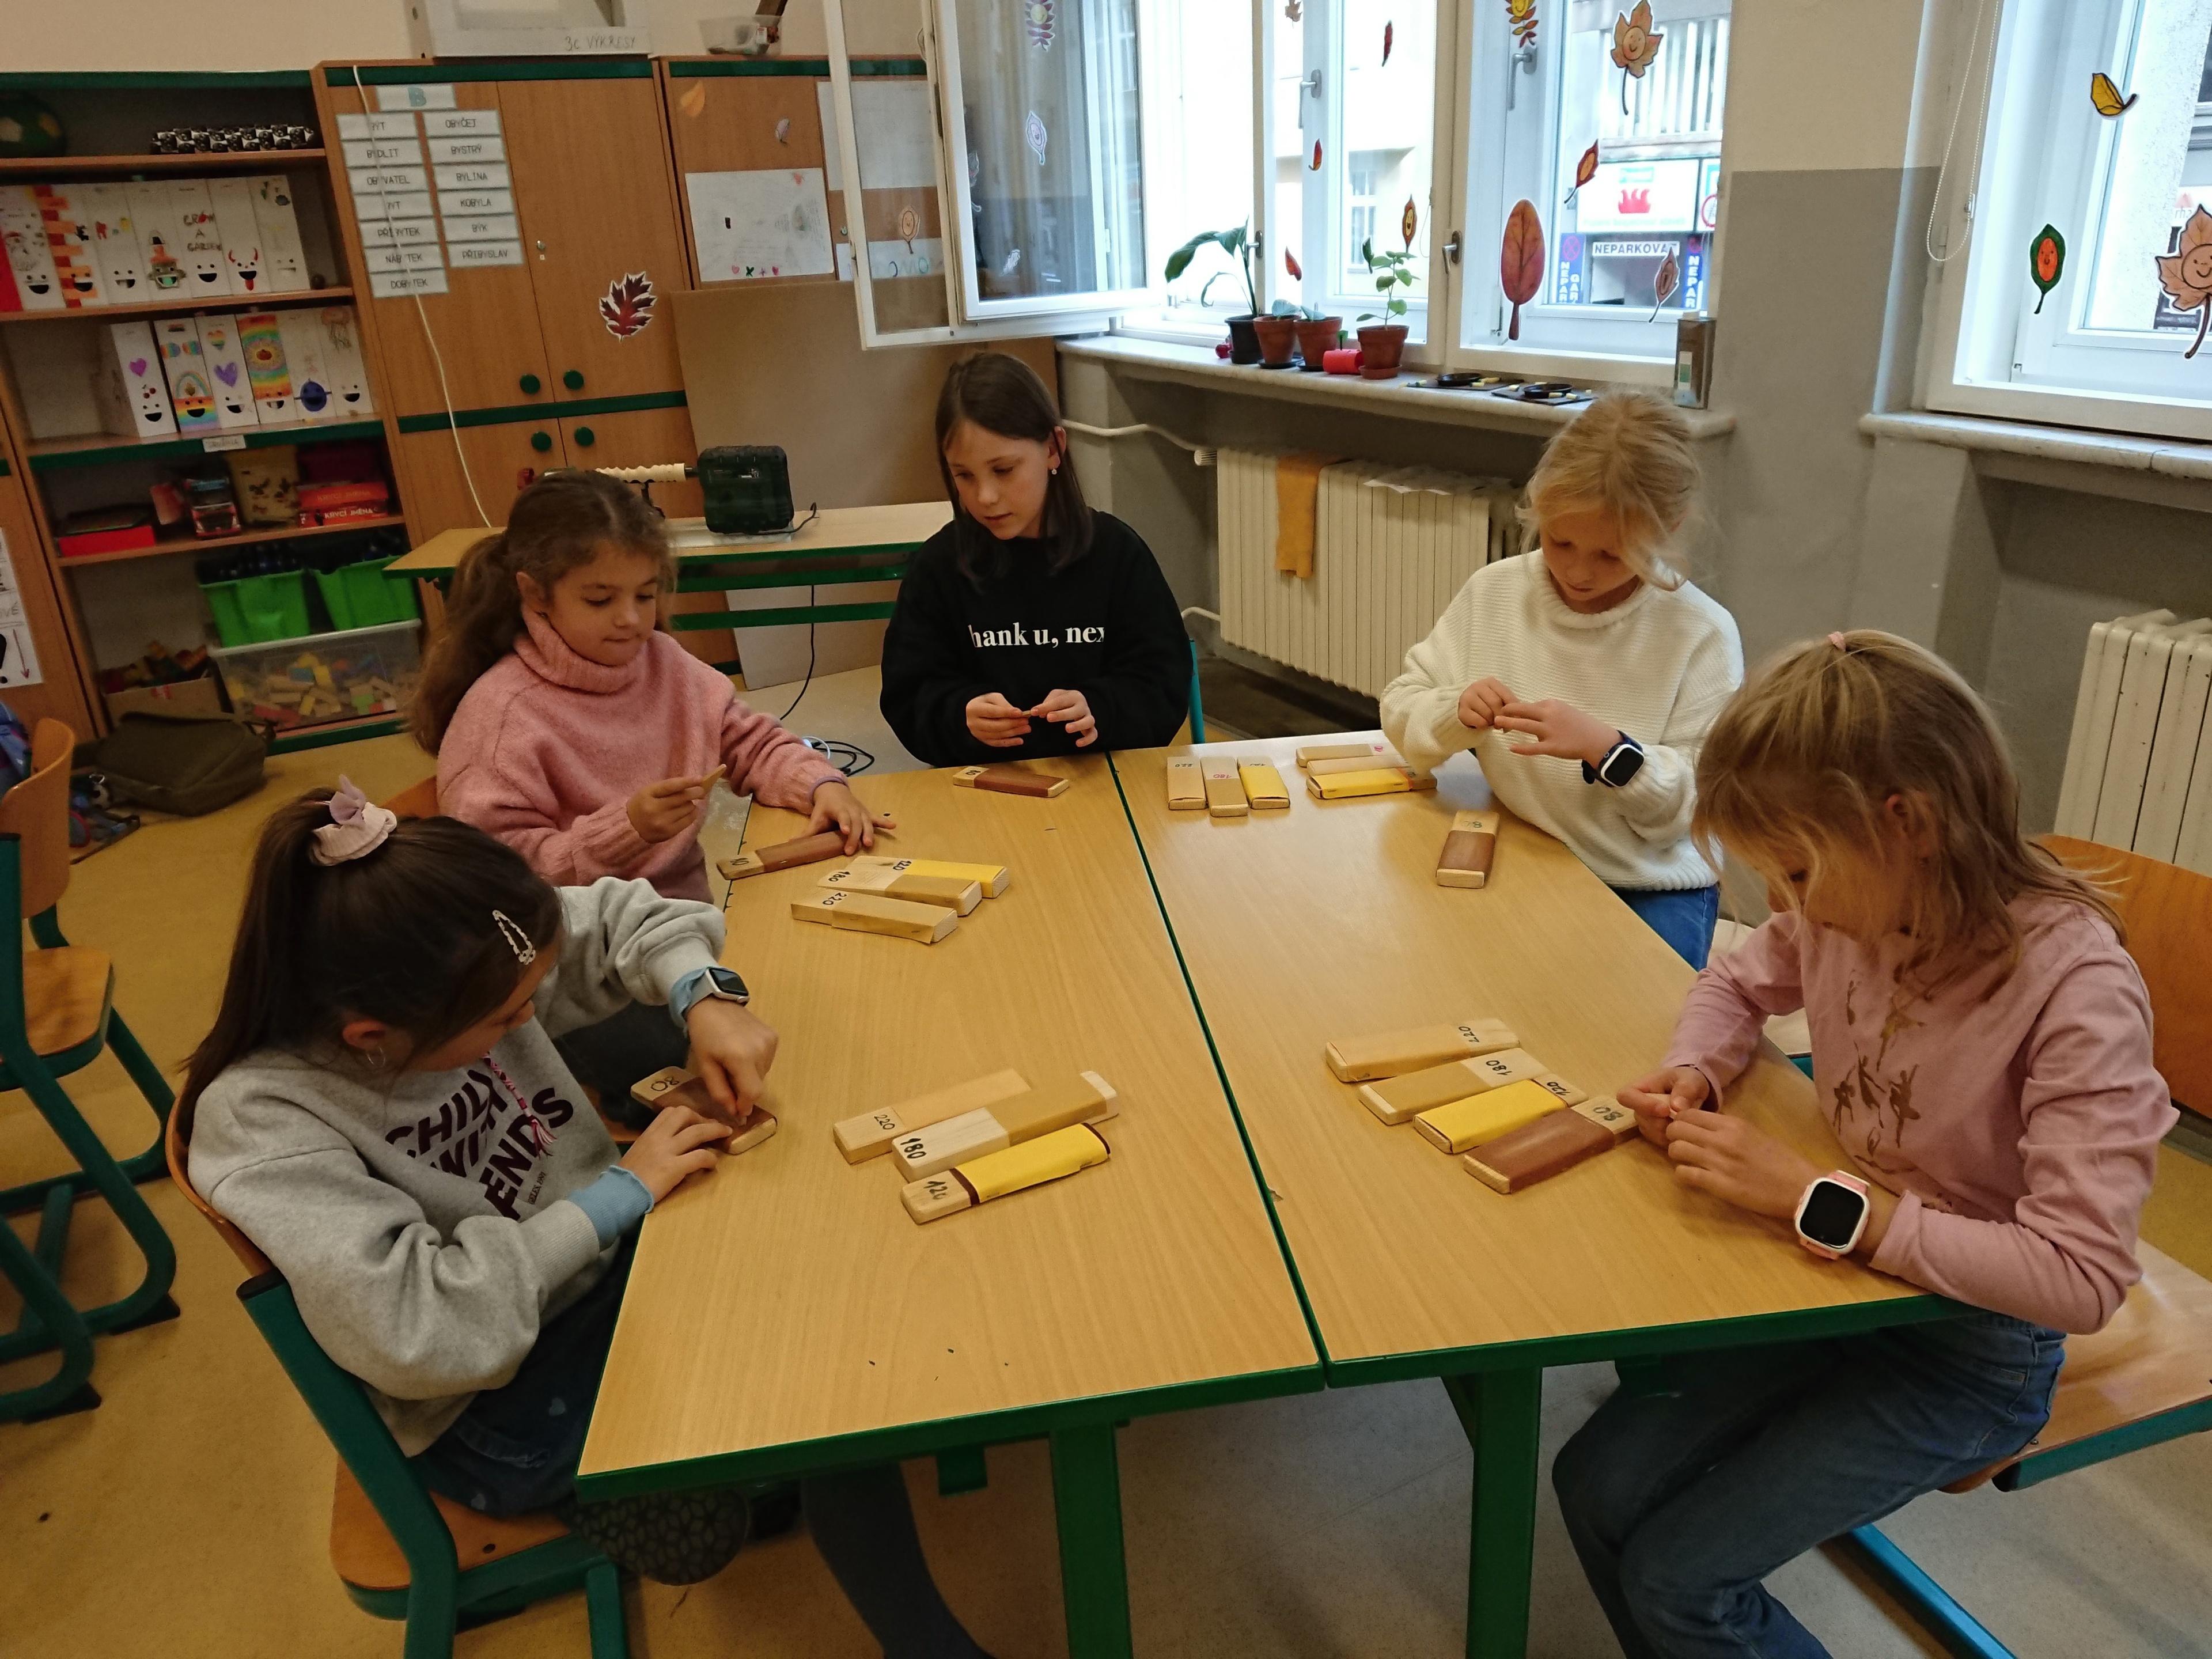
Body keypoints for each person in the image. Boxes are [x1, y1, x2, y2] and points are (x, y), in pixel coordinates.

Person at [184, 783, 991, 1655]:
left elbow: (620, 916)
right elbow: (425, 1334)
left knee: (809, 1265)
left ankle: (746, 1469)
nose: (531, 1019)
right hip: (490, 1393)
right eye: (507, 1019)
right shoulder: (268, 1125)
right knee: (813, 1398)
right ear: (371, 1037)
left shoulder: (461, 947)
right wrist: (617, 1195)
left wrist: (703, 995)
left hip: (594, 1266)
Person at [1553, 631, 2173, 1659]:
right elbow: (1736, 980)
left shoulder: (2075, 990)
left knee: (1680, 1581)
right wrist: (1697, 1067)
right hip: (1836, 1292)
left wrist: (1821, 1200)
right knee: (1592, 1487)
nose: (1785, 907)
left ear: (1908, 824)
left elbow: (2081, 1277)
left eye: (1798, 871)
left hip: (1974, 1353)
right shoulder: (1856, 910)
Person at [416, 469, 889, 1112]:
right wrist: (624, 831)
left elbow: (751, 740)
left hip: (684, 933)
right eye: (600, 600)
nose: (632, 620)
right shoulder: (502, 720)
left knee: (844, 1003)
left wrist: (820, 784)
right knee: (750, 1082)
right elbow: (499, 893)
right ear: (535, 594)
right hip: (577, 973)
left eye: (646, 594)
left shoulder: (663, 663)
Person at [1380, 391, 1741, 968]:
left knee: (1635, 1013)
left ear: (1667, 530)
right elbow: (1402, 707)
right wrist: (1455, 710)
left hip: (1649, 880)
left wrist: (1610, 752)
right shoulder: (1496, 591)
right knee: (1437, 967)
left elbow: (1694, 811)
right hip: (1529, 842)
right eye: (1560, 541)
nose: (1578, 571)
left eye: (1611, 555)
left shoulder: (1702, 633)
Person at [879, 352, 1191, 766]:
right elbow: (907, 692)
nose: (985, 497)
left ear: (1053, 449)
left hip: (1101, 773)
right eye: (964, 475)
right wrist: (959, 715)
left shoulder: (1116, 553)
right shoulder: (939, 566)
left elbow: (1162, 683)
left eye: (1004, 470)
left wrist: (1099, 707)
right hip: (986, 778)